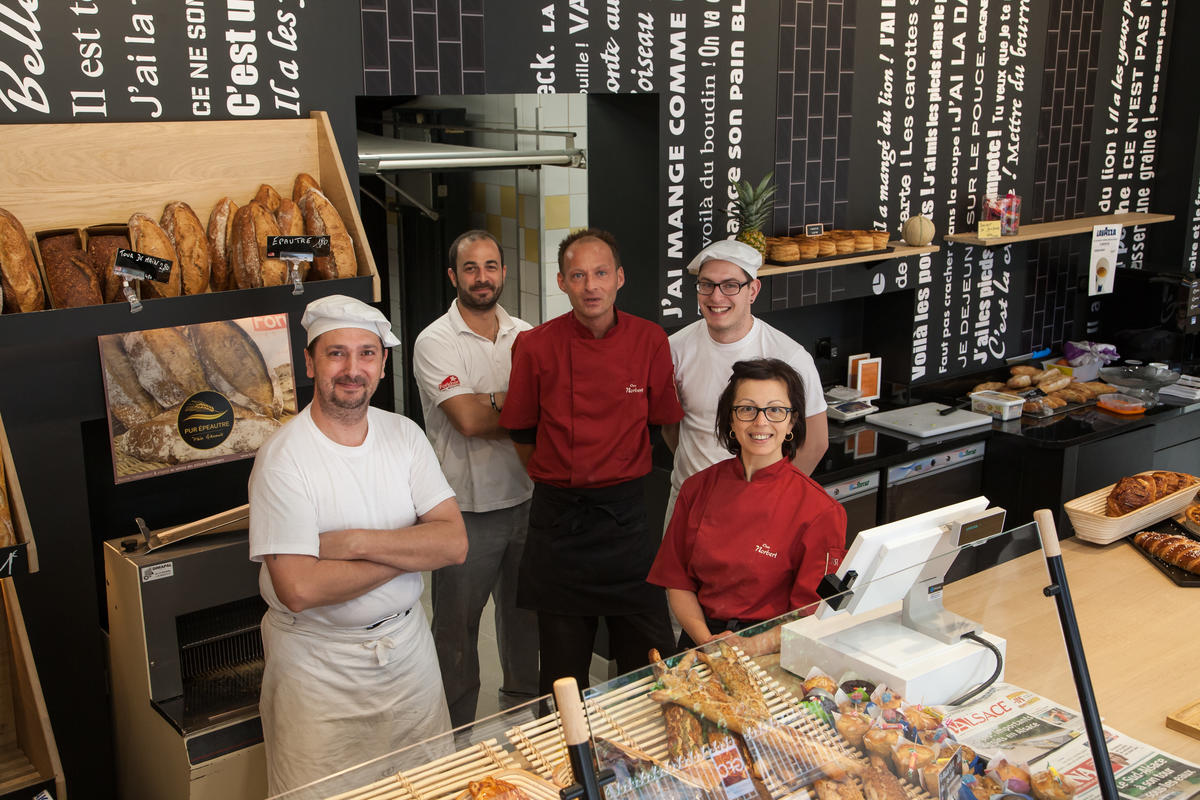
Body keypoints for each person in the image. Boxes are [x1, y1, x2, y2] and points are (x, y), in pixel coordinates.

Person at [248, 294, 468, 796]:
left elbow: (453, 544)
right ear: (309, 361)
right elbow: (300, 587)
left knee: (428, 788)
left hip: (410, 657)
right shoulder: (284, 458)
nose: (353, 369)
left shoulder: (405, 436)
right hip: (319, 673)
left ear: (383, 365)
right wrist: (411, 549)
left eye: (367, 354)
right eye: (336, 353)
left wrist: (351, 543)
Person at [499, 227, 684, 694]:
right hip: (560, 524)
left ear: (620, 277)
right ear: (561, 283)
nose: (591, 286)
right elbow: (521, 431)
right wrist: (561, 473)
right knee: (562, 672)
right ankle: (568, 762)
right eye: (578, 275)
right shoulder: (536, 346)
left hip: (627, 520)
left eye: (601, 273)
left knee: (652, 661)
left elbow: (662, 424)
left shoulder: (649, 340)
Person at [413, 230, 538, 727]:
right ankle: (454, 730)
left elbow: (504, 413)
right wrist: (522, 403)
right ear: (453, 276)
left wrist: (491, 401)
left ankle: (527, 714)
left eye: (491, 266)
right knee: (457, 631)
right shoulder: (434, 340)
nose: (482, 277)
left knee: (526, 620)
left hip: (527, 499)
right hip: (462, 511)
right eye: (470, 268)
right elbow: (468, 420)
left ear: (504, 273)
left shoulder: (526, 333)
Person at [648, 358, 847, 650]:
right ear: (730, 418)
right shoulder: (697, 488)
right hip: (701, 641)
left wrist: (753, 646)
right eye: (747, 409)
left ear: (792, 421)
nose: (760, 421)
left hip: (775, 647)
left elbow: (812, 613)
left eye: (776, 410)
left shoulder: (820, 511)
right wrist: (706, 641)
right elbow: (678, 582)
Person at [663, 239, 828, 524]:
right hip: (688, 504)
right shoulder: (674, 349)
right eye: (707, 285)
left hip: (759, 509)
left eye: (730, 285)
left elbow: (814, 443)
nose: (716, 297)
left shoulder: (789, 356)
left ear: (753, 290)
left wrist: (772, 495)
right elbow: (671, 427)